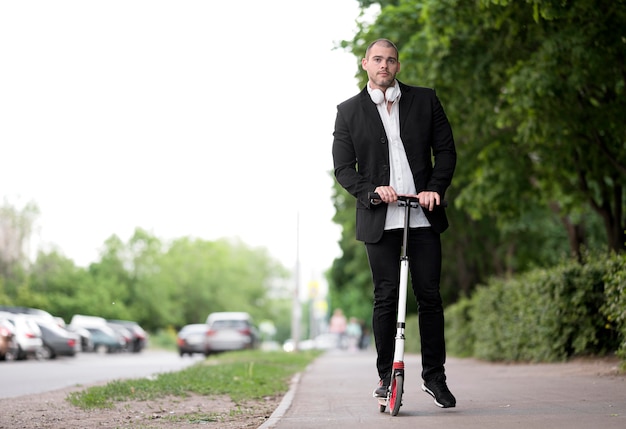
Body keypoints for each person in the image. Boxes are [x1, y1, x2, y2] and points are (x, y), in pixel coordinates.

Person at [331, 38, 457, 408]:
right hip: (379, 219)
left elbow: (446, 150)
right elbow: (343, 168)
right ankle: (387, 376)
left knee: (430, 296)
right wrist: (372, 191)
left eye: (390, 60)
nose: (384, 65)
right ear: (365, 63)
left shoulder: (425, 100)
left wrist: (434, 188)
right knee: (386, 297)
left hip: (422, 212)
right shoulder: (348, 111)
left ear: (397, 66)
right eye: (377, 59)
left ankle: (434, 377)